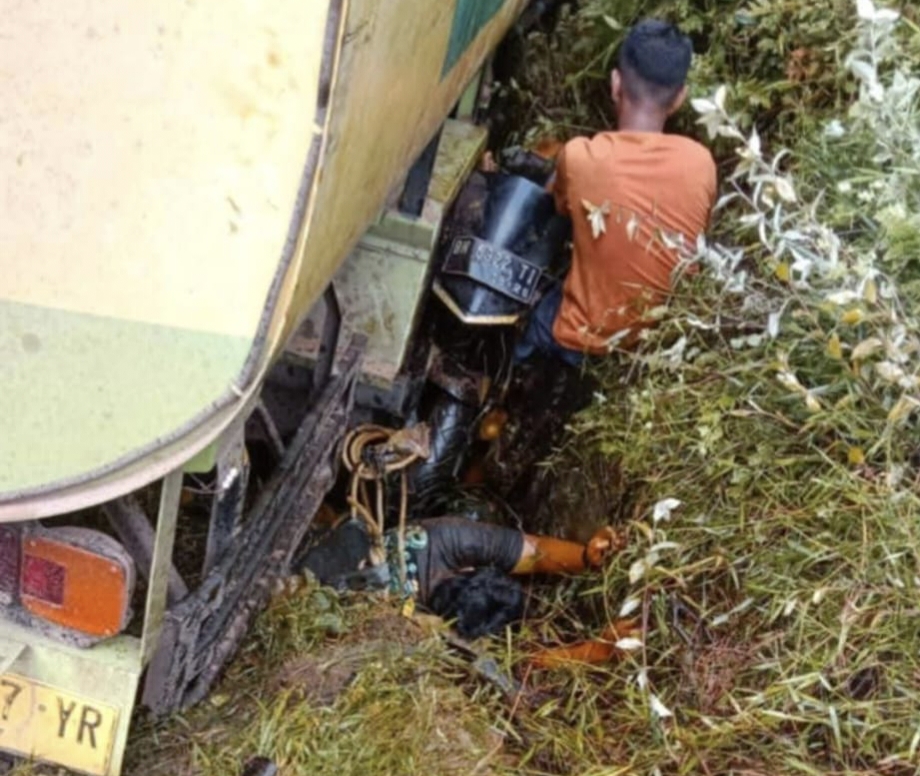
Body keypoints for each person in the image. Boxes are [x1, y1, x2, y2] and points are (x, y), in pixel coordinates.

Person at [514, 18, 718, 367]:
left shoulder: (581, 156)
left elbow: (553, 204)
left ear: (615, 83)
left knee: (521, 330)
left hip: (578, 341)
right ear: (680, 98)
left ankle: (512, 377)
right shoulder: (701, 163)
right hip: (652, 351)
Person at [296, 516, 625, 640]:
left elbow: (533, 550)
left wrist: (584, 556)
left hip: (313, 553)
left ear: (468, 569)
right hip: (313, 583)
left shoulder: (446, 539)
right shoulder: (416, 630)